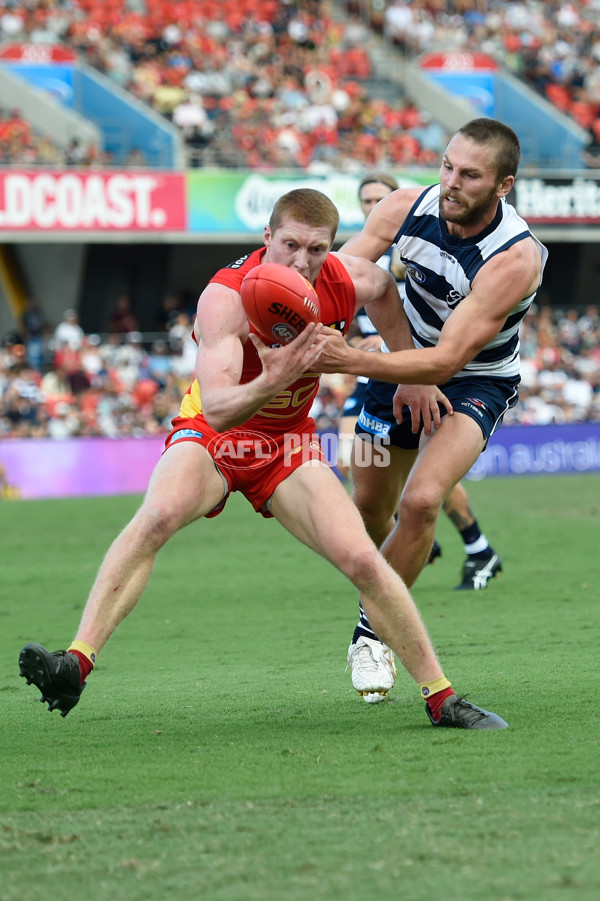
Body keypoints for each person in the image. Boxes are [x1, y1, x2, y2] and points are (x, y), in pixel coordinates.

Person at [18, 188, 507, 730]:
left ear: (330, 248)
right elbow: (222, 409)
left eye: (316, 249)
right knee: (155, 517)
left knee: (364, 560)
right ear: (266, 238)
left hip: (288, 443)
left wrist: (406, 369)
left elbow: (385, 290)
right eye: (291, 244)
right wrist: (276, 375)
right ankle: (75, 663)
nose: (302, 261)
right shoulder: (224, 297)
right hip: (214, 436)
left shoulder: (347, 280)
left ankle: (442, 698)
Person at [318, 119, 548, 703]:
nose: (450, 182)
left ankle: (372, 633)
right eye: (447, 165)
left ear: (504, 185)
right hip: (397, 366)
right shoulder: (401, 206)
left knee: (422, 501)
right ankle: (395, 574)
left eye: (469, 175)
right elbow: (341, 277)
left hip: (475, 383)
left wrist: (343, 357)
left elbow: (447, 361)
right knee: (366, 514)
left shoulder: (514, 259)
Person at [339, 172, 503, 591]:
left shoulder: (406, 248)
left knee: (425, 487)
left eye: (380, 197)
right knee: (368, 489)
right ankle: (414, 545)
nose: (372, 205)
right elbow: (344, 300)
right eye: (365, 200)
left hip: (422, 366)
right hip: (377, 367)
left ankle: (473, 546)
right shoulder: (363, 251)